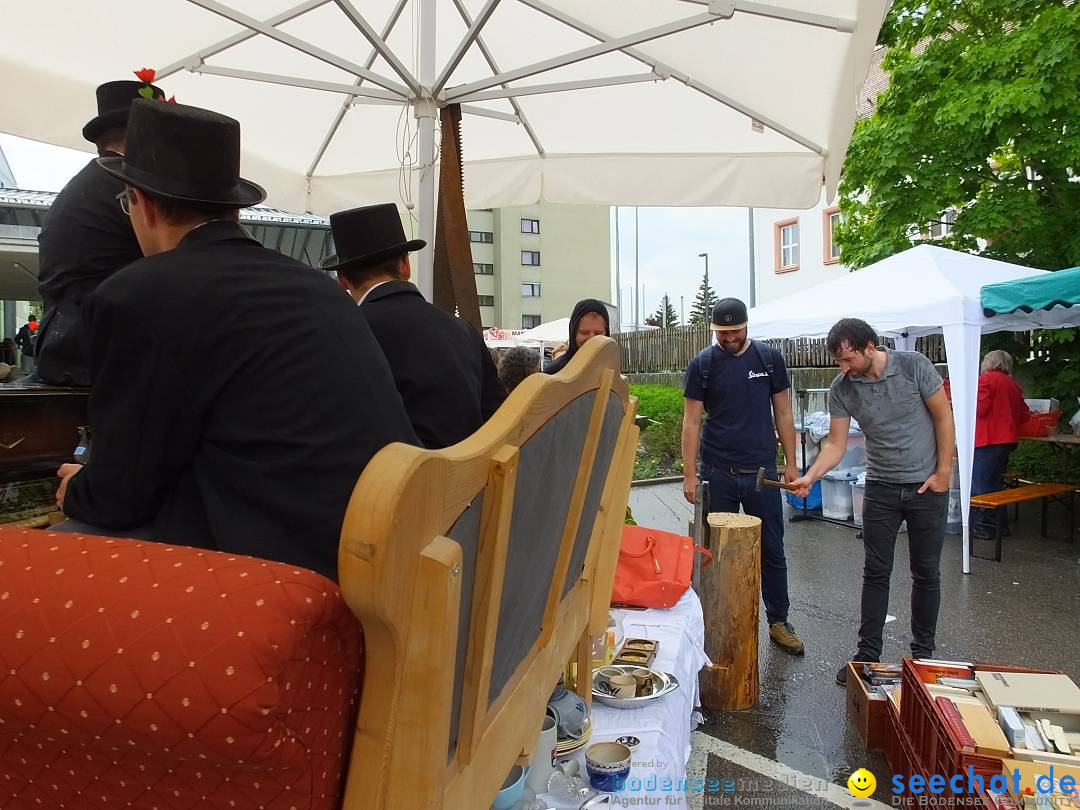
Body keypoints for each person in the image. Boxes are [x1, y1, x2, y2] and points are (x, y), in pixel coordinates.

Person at [54, 98, 418, 582]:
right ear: (233, 207)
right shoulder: (315, 288)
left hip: (286, 577)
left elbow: (120, 495)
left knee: (44, 558)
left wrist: (76, 487)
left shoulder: (137, 294)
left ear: (141, 203)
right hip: (385, 555)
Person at [789, 319, 955, 685]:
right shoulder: (842, 388)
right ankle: (867, 657)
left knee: (926, 573)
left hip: (926, 487)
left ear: (869, 347)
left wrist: (943, 472)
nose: (843, 368)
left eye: (848, 359)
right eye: (839, 362)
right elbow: (834, 444)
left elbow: (944, 417)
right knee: (875, 573)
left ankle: (923, 657)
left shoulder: (914, 367)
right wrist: (811, 475)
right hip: (879, 487)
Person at [324, 203, 506, 449]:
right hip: (469, 482)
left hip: (392, 483)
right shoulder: (463, 330)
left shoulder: (345, 333)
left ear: (343, 280)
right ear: (405, 266)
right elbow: (498, 420)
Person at [681, 298, 804, 655]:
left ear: (747, 326)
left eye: (735, 331)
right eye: (722, 332)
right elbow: (691, 421)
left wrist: (791, 464)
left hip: (762, 475)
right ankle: (712, 622)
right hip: (717, 473)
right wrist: (689, 474)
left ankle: (779, 621)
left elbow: (783, 412)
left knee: (772, 549)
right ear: (714, 330)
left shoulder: (768, 359)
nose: (730, 338)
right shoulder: (702, 364)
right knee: (713, 552)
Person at [35, 79, 165, 386]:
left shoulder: (93, 181)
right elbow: (182, 265)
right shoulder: (127, 187)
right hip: (102, 357)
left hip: (72, 348)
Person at [972, 350, 1029, 538]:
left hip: (988, 439)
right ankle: (1000, 525)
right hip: (1006, 440)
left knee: (981, 483)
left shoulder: (986, 380)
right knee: (995, 483)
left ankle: (985, 526)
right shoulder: (1013, 385)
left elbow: (979, 409)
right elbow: (1025, 415)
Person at [543, 300, 609, 374]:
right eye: (584, 333)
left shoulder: (610, 368)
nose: (591, 339)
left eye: (598, 333)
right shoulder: (553, 373)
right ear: (573, 333)